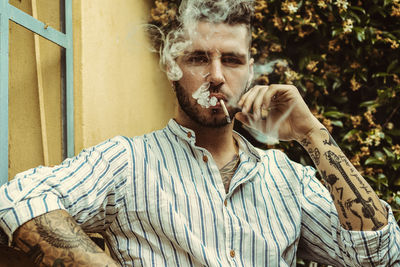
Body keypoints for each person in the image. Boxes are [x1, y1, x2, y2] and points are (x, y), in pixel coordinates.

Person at [1, 1, 400, 266]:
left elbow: (379, 255)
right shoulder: (128, 161)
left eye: (231, 60)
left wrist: (312, 133)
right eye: (198, 58)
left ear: (250, 69)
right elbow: (16, 200)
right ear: (171, 65)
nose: (216, 76)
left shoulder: (288, 180)